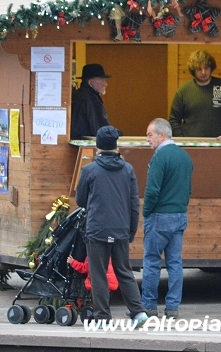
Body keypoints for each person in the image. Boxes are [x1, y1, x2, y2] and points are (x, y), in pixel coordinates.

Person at [75, 125, 148, 327]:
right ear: (116, 145)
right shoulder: (128, 170)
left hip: (97, 229)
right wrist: (131, 230)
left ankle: (103, 318)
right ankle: (138, 312)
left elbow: (80, 200)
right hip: (121, 229)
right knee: (124, 270)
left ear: (98, 146)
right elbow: (134, 204)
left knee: (98, 273)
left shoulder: (89, 170)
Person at [142, 118, 194, 319]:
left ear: (162, 135)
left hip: (159, 217)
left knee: (152, 261)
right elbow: (188, 189)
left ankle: (148, 306)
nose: (147, 139)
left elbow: (152, 190)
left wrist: (146, 212)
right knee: (174, 263)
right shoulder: (185, 157)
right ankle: (172, 308)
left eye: (150, 135)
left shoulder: (159, 157)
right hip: (179, 216)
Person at [169, 50, 221, 137]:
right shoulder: (183, 91)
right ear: (193, 70)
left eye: (206, 68)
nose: (203, 72)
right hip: (191, 145)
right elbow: (173, 120)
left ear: (211, 68)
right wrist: (183, 141)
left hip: (220, 144)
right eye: (199, 69)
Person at [71, 64, 111, 140]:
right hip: (85, 145)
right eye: (102, 80)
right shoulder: (91, 100)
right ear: (90, 82)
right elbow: (101, 130)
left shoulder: (77, 95)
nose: (105, 84)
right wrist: (116, 133)